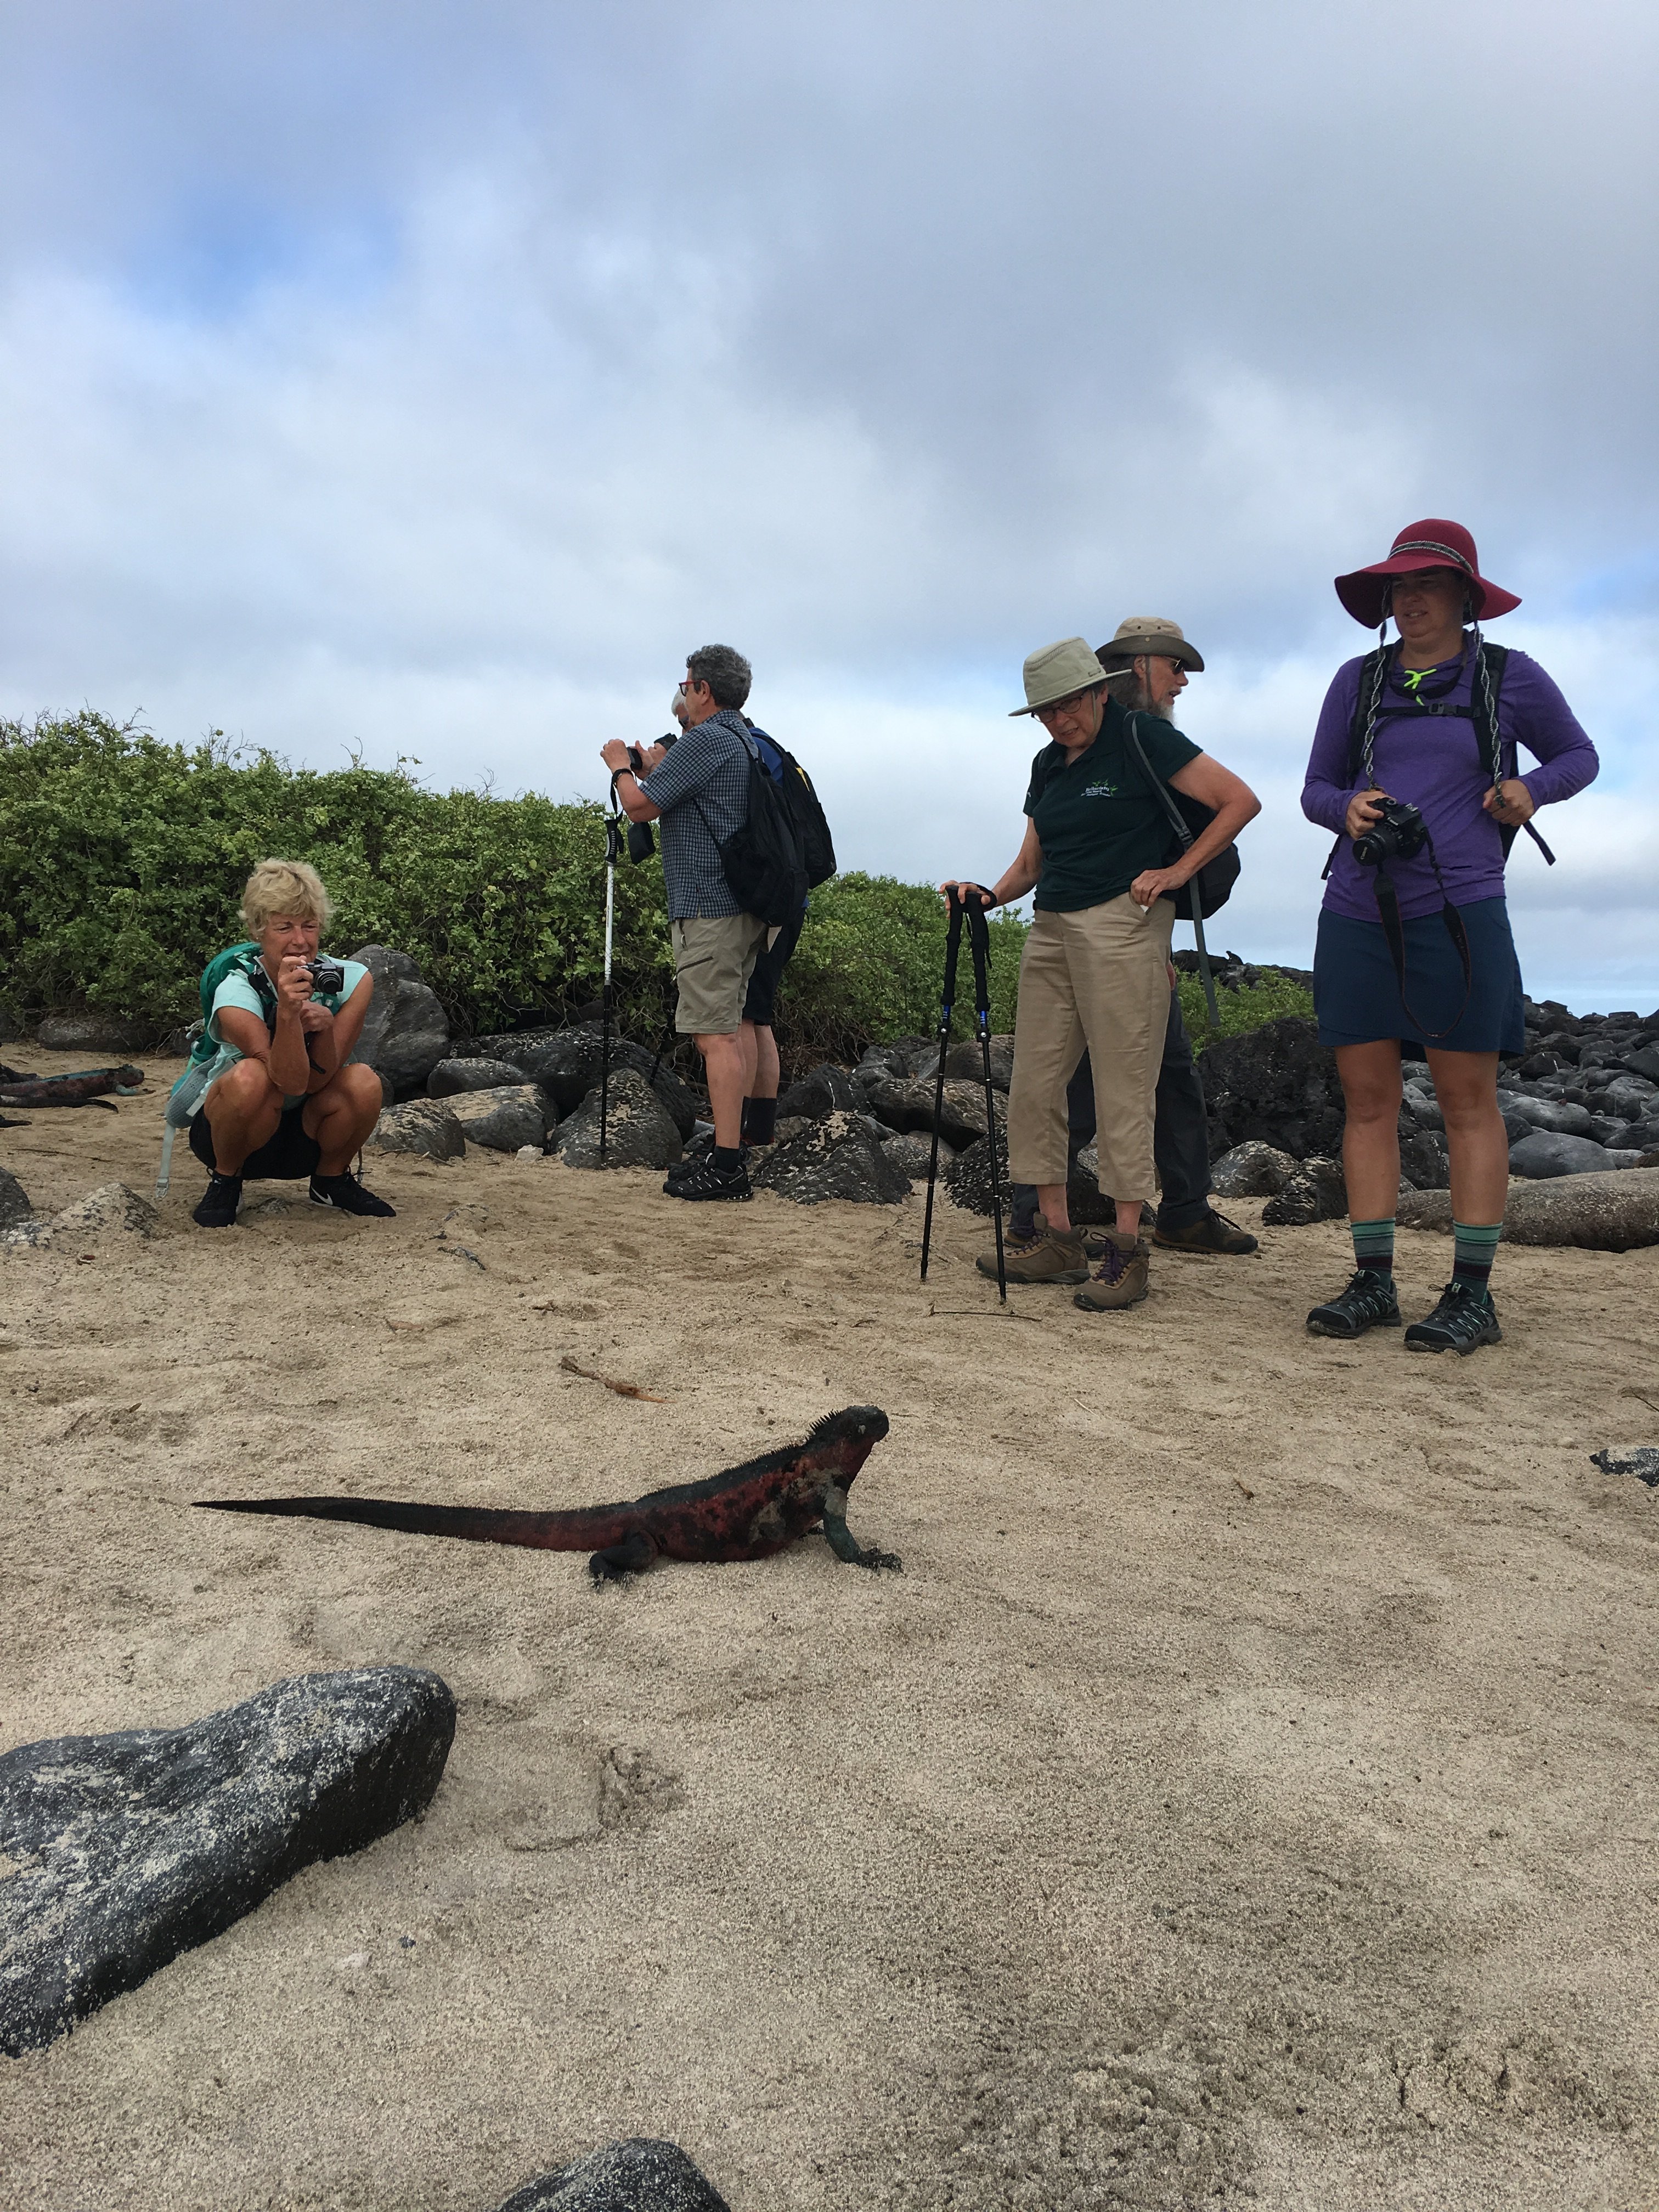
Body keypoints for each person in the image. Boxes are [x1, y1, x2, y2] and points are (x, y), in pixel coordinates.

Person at [1300, 518, 1598, 1352]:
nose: (1411, 600)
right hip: (1359, 908)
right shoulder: (1357, 682)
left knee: (1469, 1103)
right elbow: (1316, 787)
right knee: (1367, 1101)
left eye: (1428, 585)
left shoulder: (1509, 677)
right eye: (1399, 588)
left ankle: (1473, 1293)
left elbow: (1580, 755)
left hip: (1462, 908)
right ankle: (1374, 1282)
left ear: (1466, 597)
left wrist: (1529, 789)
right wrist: (1344, 808)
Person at [944, 637, 1259, 1312]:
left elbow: (1238, 801)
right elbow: (1031, 862)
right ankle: (1054, 1237)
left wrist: (1177, 873)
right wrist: (989, 896)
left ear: (1097, 691)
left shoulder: (1142, 737)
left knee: (1122, 1088)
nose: (1061, 721)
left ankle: (1125, 1250)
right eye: (1046, 712)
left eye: (1068, 705)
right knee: (1034, 1084)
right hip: (1053, 926)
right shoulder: (1047, 762)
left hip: (1124, 922)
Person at [603, 645, 768, 1201]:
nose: (685, 690)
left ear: (703, 690)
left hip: (709, 908)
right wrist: (652, 769)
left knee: (714, 1037)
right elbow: (680, 792)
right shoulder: (741, 737)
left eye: (688, 683)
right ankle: (732, 1149)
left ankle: (727, 1167)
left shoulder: (708, 738)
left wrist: (621, 768)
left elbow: (641, 808)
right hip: (740, 907)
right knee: (730, 1030)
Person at [186, 860, 393, 1229]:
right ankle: (226, 1181)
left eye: (309, 926)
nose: (300, 940)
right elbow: (288, 1082)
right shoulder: (236, 989)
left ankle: (330, 1181)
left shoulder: (352, 981)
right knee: (251, 1076)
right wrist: (288, 1014)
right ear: (258, 929)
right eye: (284, 927)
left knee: (363, 1081)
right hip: (234, 1131)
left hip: (305, 1134)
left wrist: (325, 1028)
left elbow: (315, 1083)